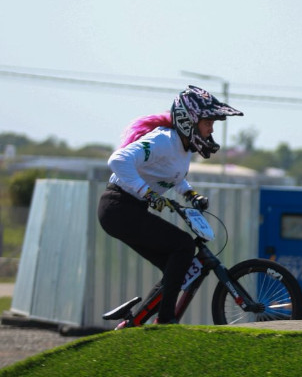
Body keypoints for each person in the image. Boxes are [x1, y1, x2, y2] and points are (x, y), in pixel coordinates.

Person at [97, 85, 243, 324]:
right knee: (183, 245)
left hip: (129, 209)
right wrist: (147, 193)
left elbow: (171, 175)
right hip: (118, 208)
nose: (211, 129)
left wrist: (190, 194)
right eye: (208, 122)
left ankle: (135, 323)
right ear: (189, 121)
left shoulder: (183, 147)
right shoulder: (163, 140)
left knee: (176, 268)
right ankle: (166, 320)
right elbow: (118, 160)